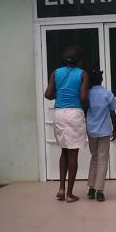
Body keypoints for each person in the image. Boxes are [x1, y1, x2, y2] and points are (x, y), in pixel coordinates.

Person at [44, 45, 89, 202]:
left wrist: (60, 92)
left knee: (63, 150)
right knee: (73, 154)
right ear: (79, 60)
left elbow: (48, 95)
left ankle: (61, 188)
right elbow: (83, 97)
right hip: (74, 113)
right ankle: (70, 194)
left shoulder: (55, 73)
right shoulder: (82, 74)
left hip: (59, 114)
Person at [85, 70, 116, 202]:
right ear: (101, 80)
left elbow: (84, 110)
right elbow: (113, 114)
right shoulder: (107, 94)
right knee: (103, 159)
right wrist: (114, 130)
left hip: (91, 130)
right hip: (104, 130)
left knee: (94, 157)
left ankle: (91, 188)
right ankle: (99, 190)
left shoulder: (87, 94)